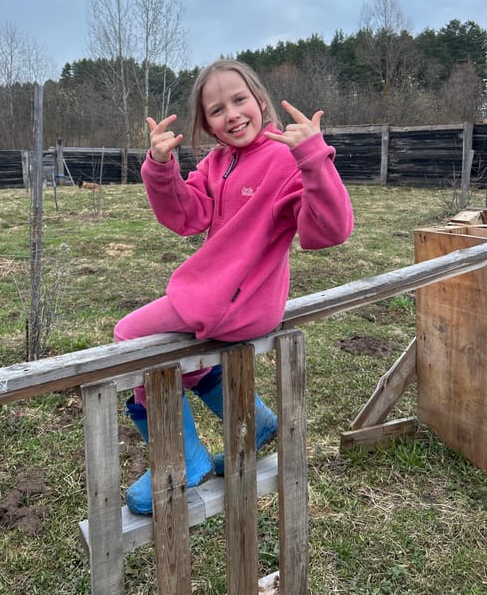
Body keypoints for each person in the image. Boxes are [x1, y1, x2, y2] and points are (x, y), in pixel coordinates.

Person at [115, 58, 354, 514]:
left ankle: (182, 459)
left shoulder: (284, 160)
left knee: (129, 337)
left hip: (239, 303)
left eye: (239, 100)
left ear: (260, 100)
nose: (232, 114)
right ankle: (255, 422)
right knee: (176, 358)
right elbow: (187, 216)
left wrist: (313, 158)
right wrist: (161, 167)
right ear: (207, 125)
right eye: (217, 110)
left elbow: (331, 229)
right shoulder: (217, 162)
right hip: (223, 296)